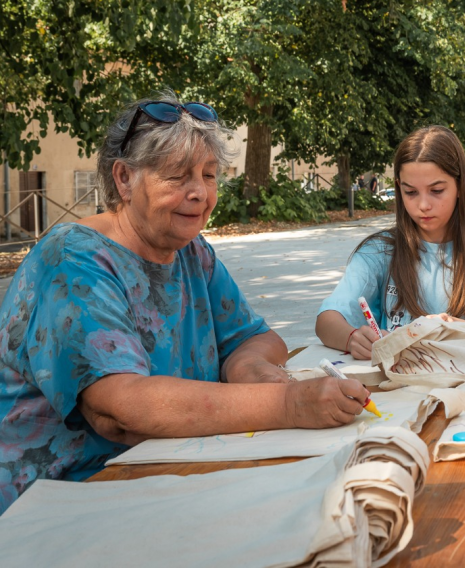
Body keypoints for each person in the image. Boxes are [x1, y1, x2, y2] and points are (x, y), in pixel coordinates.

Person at [0, 96, 371, 515]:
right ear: (124, 178)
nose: (199, 193)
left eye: (209, 175)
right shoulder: (73, 260)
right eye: (177, 176)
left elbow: (257, 337)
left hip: (166, 482)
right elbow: (121, 409)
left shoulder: (193, 253)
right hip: (60, 505)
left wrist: (247, 368)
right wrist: (289, 404)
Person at [315, 126, 465, 357]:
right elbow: (327, 321)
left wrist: (457, 330)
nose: (423, 205)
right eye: (410, 192)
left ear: (460, 186)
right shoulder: (379, 251)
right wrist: (352, 339)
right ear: (399, 188)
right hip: (394, 389)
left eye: (436, 190)